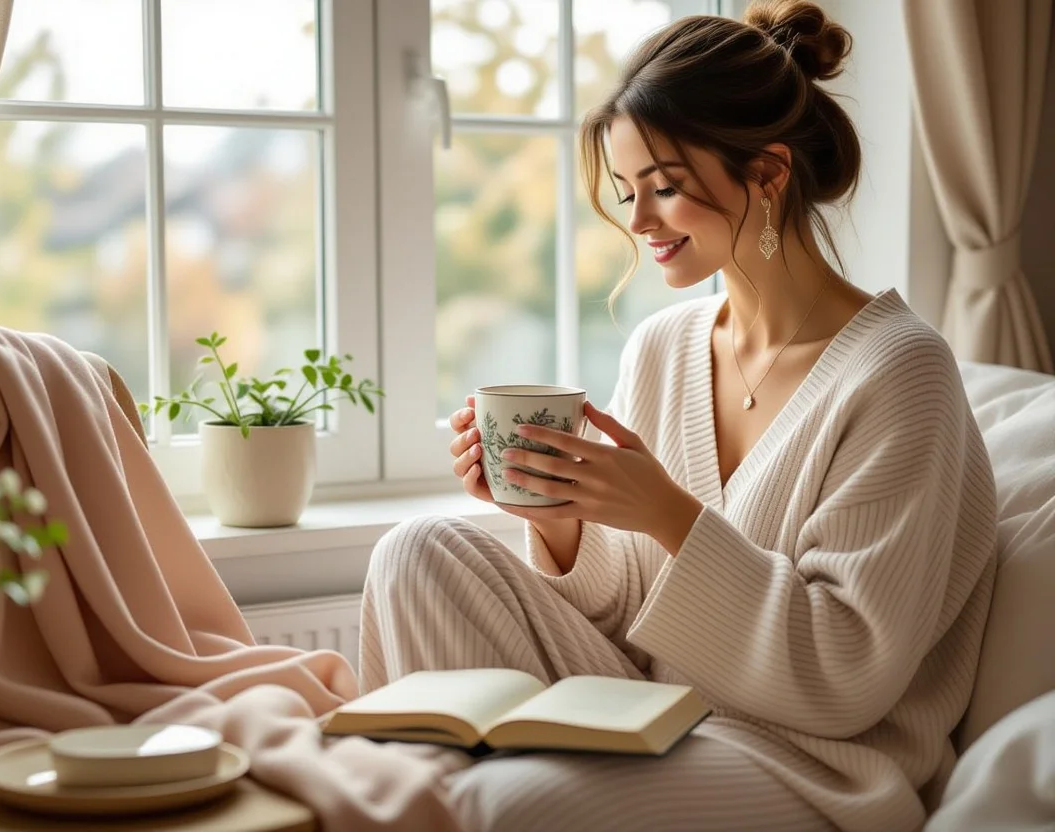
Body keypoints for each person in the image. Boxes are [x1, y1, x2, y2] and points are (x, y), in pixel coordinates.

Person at [358, 1, 999, 830]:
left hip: (812, 764)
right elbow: (629, 602)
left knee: (490, 802)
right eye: (627, 192)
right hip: (656, 708)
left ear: (767, 174)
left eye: (665, 189)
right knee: (417, 551)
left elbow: (846, 677)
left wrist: (665, 510)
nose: (637, 222)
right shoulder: (664, 347)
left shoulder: (900, 373)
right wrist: (557, 516)